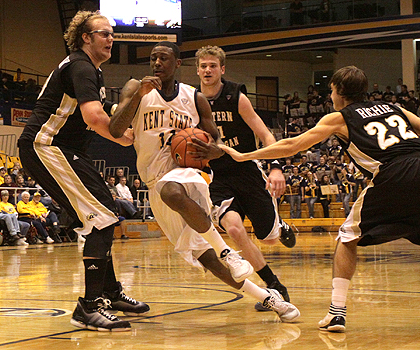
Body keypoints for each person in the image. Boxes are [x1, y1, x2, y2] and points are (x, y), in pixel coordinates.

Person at [109, 41, 299, 323]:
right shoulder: (135, 87)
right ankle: (270, 298)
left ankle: (228, 251)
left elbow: (215, 139)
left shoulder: (193, 98)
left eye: (164, 58)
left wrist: (216, 150)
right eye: (153, 59)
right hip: (153, 179)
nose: (157, 63)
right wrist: (138, 96)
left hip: (188, 173)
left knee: (173, 191)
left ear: (177, 64)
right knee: (205, 258)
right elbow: (114, 129)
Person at [221, 65, 420, 332]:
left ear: (338, 91)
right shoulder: (394, 108)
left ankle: (337, 313)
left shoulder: (339, 117)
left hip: (393, 172)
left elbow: (292, 145)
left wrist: (245, 156)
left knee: (347, 237)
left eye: (332, 90)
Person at [17, 10, 147, 331]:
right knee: (102, 214)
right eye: (104, 33)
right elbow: (92, 115)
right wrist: (126, 136)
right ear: (86, 38)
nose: (110, 39)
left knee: (99, 215)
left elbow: (96, 113)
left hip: (65, 149)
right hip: (47, 145)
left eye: (112, 34)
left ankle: (110, 292)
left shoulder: (88, 69)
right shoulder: (82, 66)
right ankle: (88, 307)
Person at [194, 45, 296, 312]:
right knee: (235, 230)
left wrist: (275, 166)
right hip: (217, 176)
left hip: (247, 170)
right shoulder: (191, 100)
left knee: (269, 239)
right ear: (197, 70)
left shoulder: (236, 97)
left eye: (212, 66)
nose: (207, 70)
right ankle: (273, 285)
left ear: (222, 69)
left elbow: (266, 135)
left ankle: (281, 226)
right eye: (203, 66)